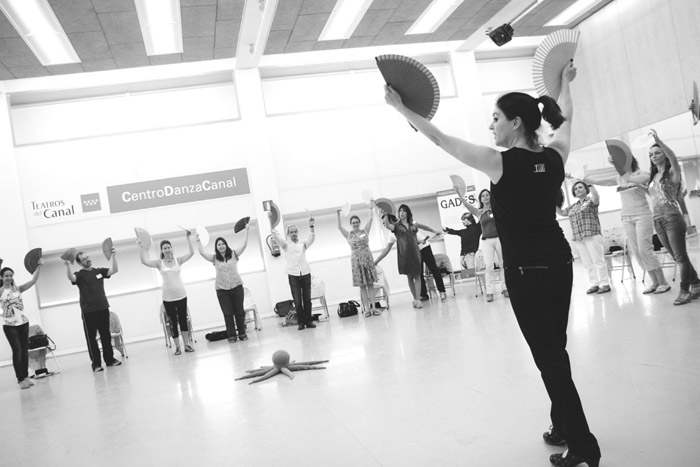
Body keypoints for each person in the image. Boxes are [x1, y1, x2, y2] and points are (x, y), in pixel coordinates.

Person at [385, 63, 601, 467]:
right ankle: (561, 425)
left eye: (497, 118)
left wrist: (401, 108)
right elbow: (566, 117)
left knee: (549, 358)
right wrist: (566, 85)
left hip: (526, 272)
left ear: (516, 124)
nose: (492, 126)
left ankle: (583, 443)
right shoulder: (556, 156)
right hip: (560, 262)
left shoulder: (500, 163)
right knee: (557, 350)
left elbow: (439, 138)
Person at [621, 130, 700, 305]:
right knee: (676, 256)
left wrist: (659, 141)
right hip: (658, 219)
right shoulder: (652, 177)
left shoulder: (672, 173)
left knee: (681, 256)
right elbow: (628, 178)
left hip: (672, 217)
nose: (653, 156)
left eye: (657, 153)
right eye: (651, 154)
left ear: (664, 154)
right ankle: (696, 283)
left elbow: (673, 158)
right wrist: (617, 164)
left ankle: (685, 291)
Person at [577, 157, 671, 294]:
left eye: (620, 163)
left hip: (642, 215)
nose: (618, 166)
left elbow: (648, 190)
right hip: (626, 217)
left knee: (645, 249)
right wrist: (583, 176)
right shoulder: (618, 178)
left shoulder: (642, 174)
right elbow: (597, 181)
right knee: (637, 251)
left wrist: (633, 181)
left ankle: (663, 282)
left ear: (629, 161)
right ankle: (655, 282)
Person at [66, 249, 121, 372]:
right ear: (80, 263)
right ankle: (96, 364)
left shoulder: (99, 271)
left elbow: (114, 270)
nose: (88, 259)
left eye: (88, 257)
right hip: (88, 311)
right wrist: (68, 266)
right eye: (84, 259)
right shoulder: (79, 274)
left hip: (103, 308)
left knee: (105, 335)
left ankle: (110, 359)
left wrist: (113, 257)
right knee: (91, 339)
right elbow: (71, 277)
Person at [139, 233, 195, 354]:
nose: (167, 249)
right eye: (165, 248)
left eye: (168, 247)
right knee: (173, 322)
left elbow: (191, 253)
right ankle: (178, 347)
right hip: (168, 298)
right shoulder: (159, 263)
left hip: (181, 295)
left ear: (171, 248)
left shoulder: (178, 260)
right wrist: (141, 247)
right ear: (162, 251)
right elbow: (144, 261)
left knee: (183, 320)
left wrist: (188, 239)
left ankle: (186, 345)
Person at [196, 225, 250, 342]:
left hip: (237, 287)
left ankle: (242, 333)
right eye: (218, 244)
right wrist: (198, 240)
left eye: (223, 244)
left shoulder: (234, 254)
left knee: (239, 312)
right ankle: (231, 336)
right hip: (222, 290)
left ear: (226, 245)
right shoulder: (214, 258)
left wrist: (247, 230)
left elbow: (244, 245)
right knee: (228, 314)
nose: (221, 246)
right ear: (216, 247)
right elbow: (201, 252)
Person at [556, 180, 611, 294]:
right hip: (579, 238)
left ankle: (604, 284)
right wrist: (553, 202)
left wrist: (590, 184)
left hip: (592, 235)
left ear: (586, 189)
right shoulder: (573, 207)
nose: (578, 190)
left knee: (597, 260)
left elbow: (596, 197)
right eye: (575, 189)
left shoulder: (591, 201)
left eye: (580, 187)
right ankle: (594, 284)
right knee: (587, 263)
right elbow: (561, 212)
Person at [378, 204, 434, 309]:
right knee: (410, 277)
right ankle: (415, 298)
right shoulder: (396, 226)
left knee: (418, 276)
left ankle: (418, 299)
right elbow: (386, 225)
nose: (402, 213)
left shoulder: (413, 226)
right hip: (404, 255)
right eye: (400, 211)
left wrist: (421, 241)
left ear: (408, 213)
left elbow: (414, 239)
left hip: (415, 254)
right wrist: (385, 214)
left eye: (404, 211)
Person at [270, 214, 317, 331]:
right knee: (297, 300)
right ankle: (301, 322)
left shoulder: (303, 243)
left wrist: (311, 226)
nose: (294, 234)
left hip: (305, 273)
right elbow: (275, 236)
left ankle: (309, 321)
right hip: (293, 275)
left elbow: (311, 238)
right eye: (291, 232)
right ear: (288, 234)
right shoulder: (285, 244)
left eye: (295, 231)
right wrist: (271, 221)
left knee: (307, 299)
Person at [1, 261, 43, 389]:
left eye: (10, 275)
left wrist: (39, 268)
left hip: (23, 323)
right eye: (6, 276)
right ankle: (20, 379)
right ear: (1, 278)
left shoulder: (18, 289)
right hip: (9, 325)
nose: (9, 278)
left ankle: (25, 377)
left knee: (24, 350)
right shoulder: (1, 290)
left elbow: (33, 281)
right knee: (17, 350)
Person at [463, 189, 508, 301]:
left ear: (490, 197)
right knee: (489, 266)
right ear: (481, 199)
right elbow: (465, 204)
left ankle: (505, 288)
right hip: (486, 240)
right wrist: (458, 192)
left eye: (487, 195)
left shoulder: (496, 208)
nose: (485, 197)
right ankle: (490, 292)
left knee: (503, 264)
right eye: (483, 196)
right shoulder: (479, 212)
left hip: (499, 239)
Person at [337, 206, 379, 317]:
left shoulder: (365, 231)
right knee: (362, 286)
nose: (355, 224)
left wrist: (370, 208)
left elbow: (370, 219)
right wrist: (338, 215)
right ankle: (366, 309)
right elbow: (339, 227)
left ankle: (374, 307)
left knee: (370, 285)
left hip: (368, 260)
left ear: (359, 222)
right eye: (353, 222)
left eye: (357, 222)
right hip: (356, 262)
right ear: (351, 224)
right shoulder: (348, 234)